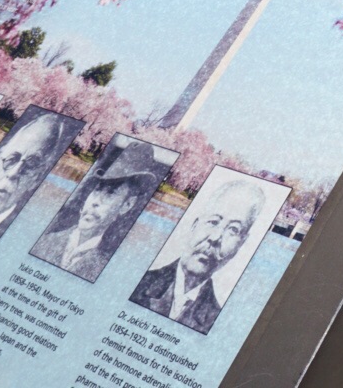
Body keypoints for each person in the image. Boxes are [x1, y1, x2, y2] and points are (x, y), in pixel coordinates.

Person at [129, 177, 264, 334]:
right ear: (194, 225)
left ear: (240, 244)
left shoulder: (216, 321)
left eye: (233, 229)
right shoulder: (140, 282)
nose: (215, 237)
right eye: (213, 222)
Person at [30, 139, 161, 282]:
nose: (96, 202)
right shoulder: (46, 241)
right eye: (97, 189)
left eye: (110, 194)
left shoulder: (108, 269)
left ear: (127, 205)